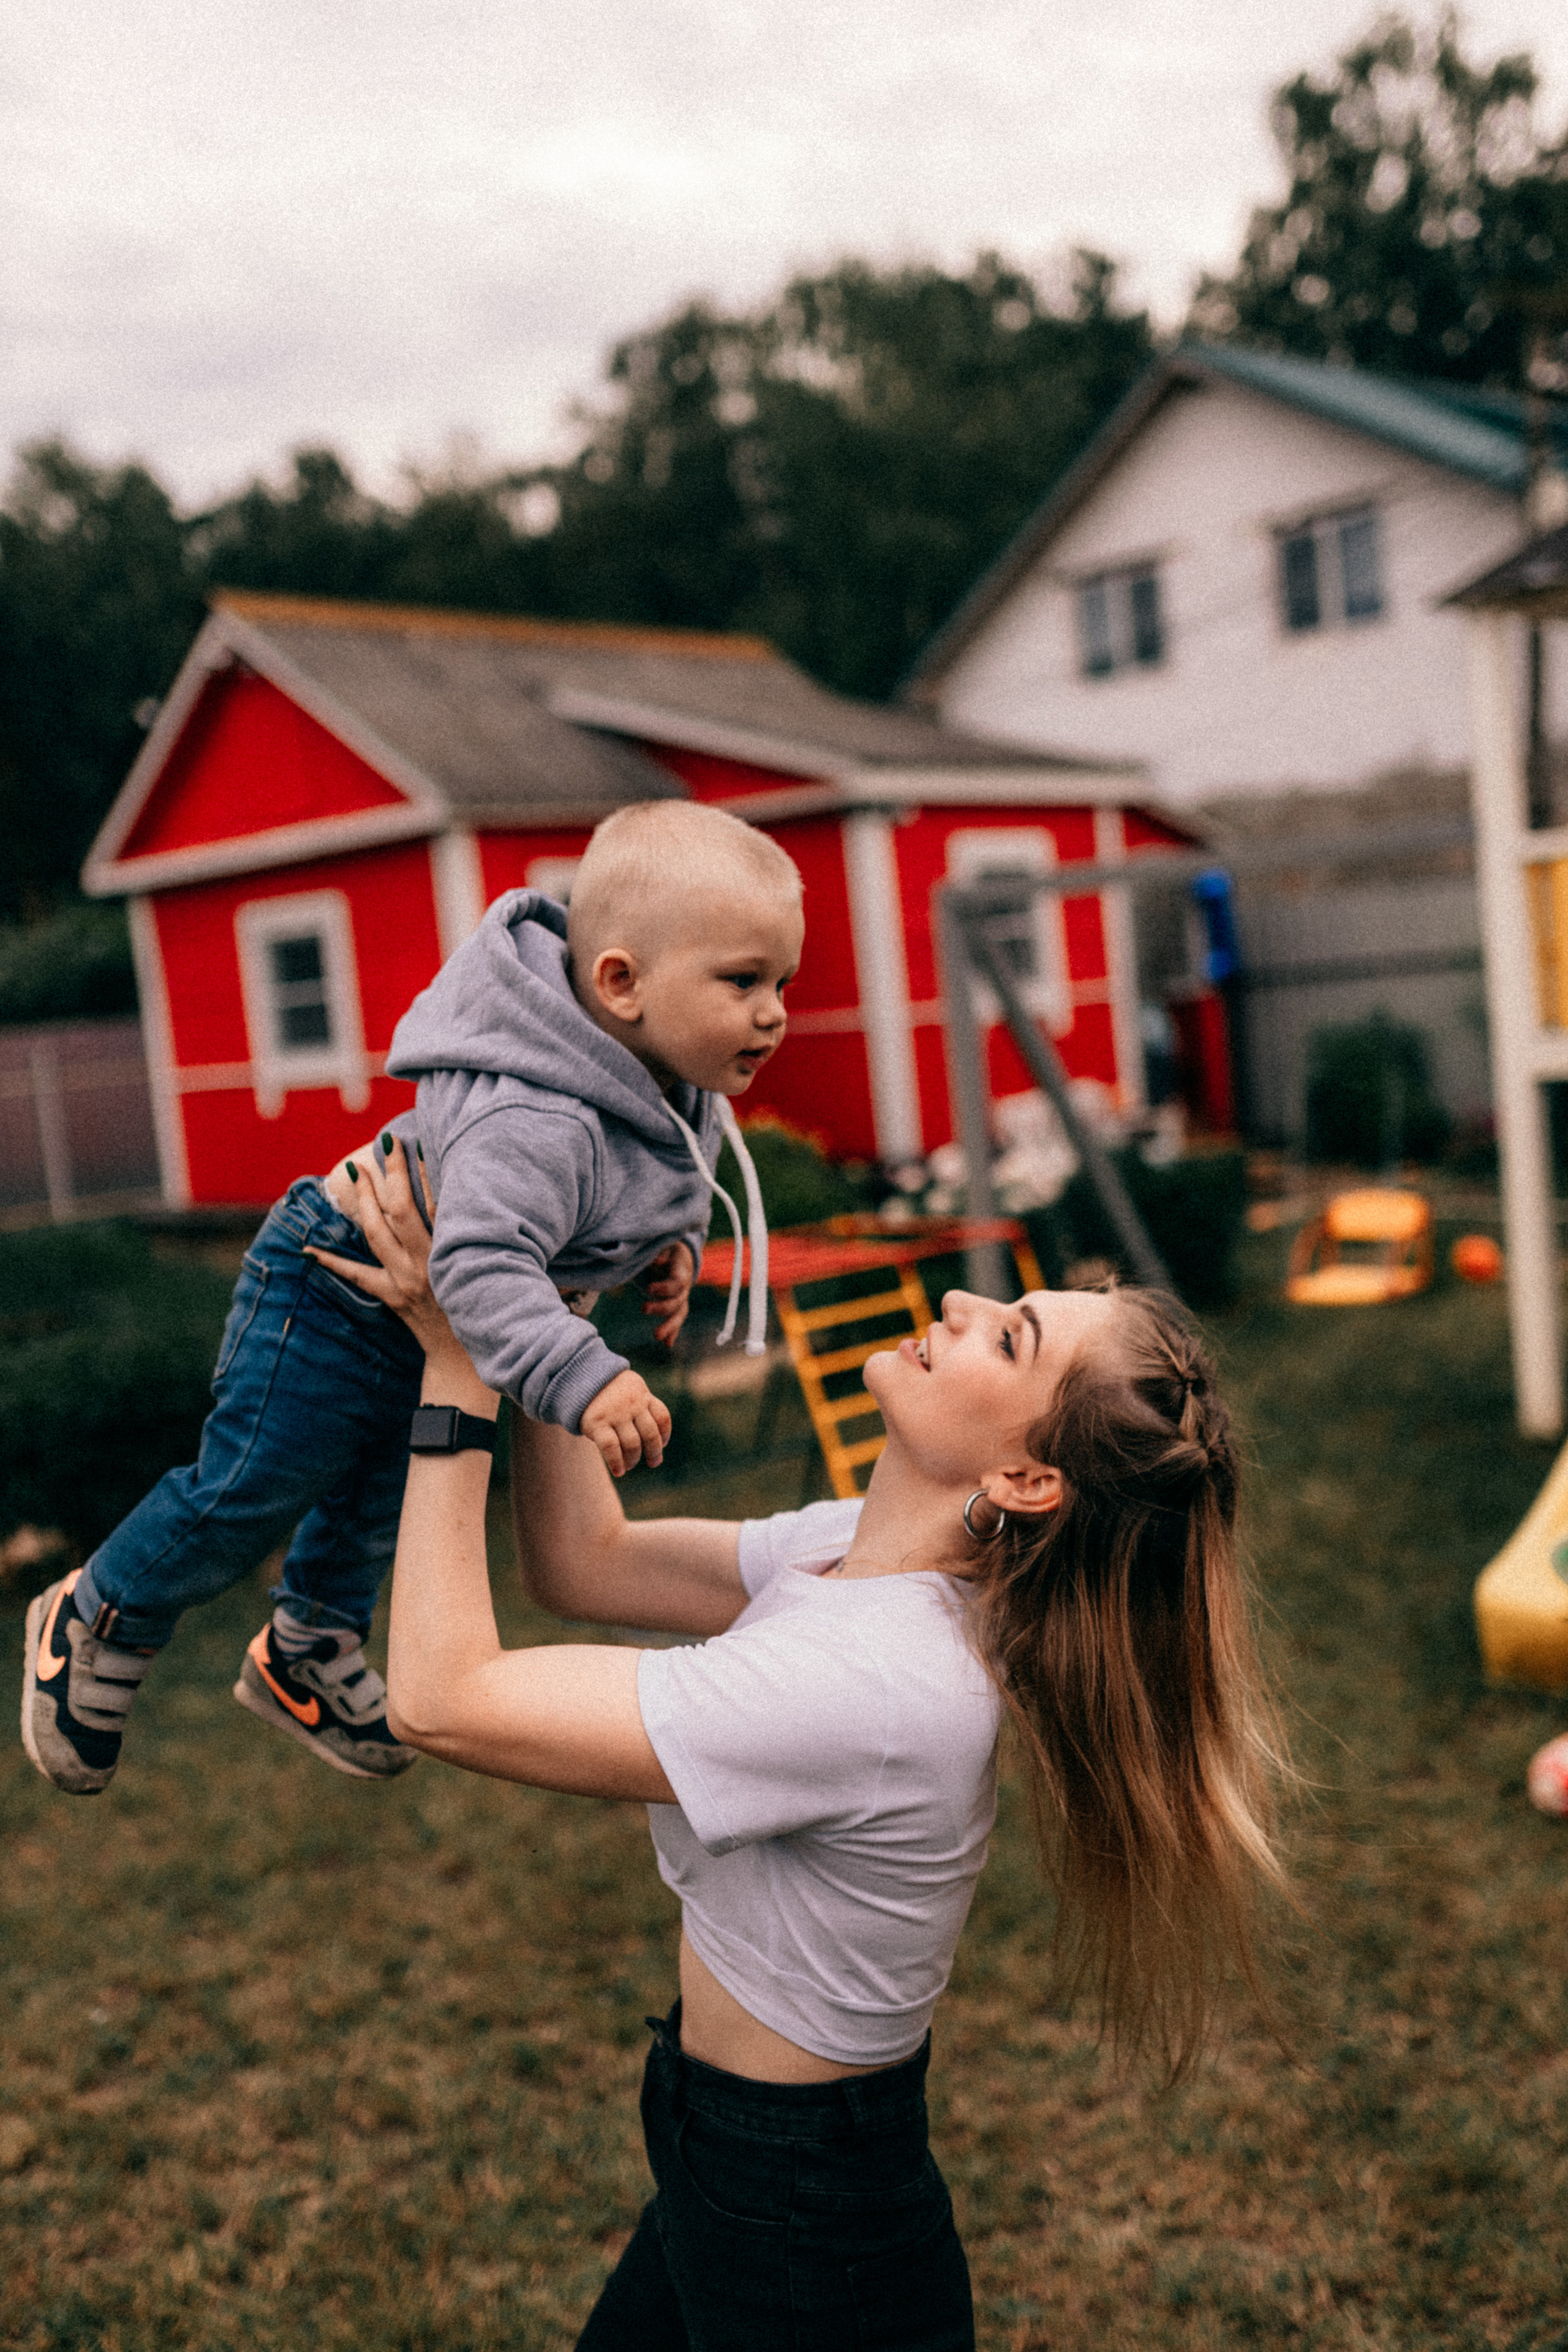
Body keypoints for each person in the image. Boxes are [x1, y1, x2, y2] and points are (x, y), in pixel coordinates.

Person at [322, 1143, 1289, 2350]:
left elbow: (438, 1697)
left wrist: (457, 1368)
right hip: (728, 2155)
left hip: (805, 2244)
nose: (958, 1304)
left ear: (1025, 1477)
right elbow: (585, 1563)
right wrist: (543, 1306)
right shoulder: (860, 1553)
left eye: (1007, 1340)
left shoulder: (880, 1684)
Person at [22, 801, 801, 1796]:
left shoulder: (665, 1077)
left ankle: (306, 1650)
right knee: (253, 1482)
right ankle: (96, 1614)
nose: (774, 1010)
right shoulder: (538, 1114)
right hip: (338, 1279)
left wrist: (669, 1249)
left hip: (418, 1304)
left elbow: (658, 1175)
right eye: (744, 982)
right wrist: (584, 1377)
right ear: (621, 983)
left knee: (379, 1497)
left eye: (782, 981)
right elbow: (479, 1269)